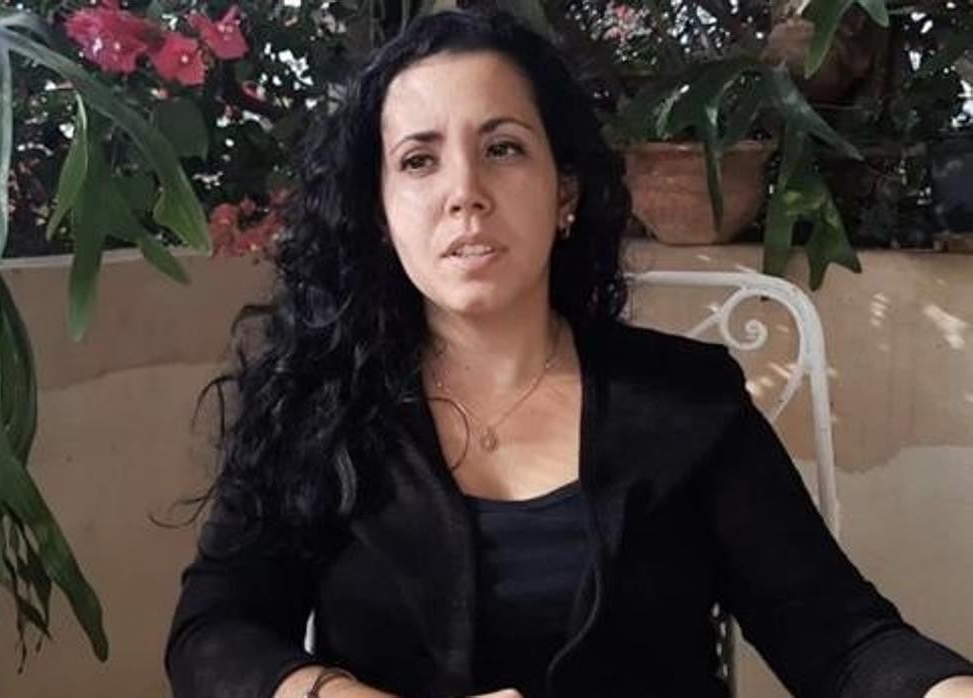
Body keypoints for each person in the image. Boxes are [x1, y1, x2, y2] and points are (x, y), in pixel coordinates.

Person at [165, 8, 973, 697]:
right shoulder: (317, 402)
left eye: (503, 148)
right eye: (418, 160)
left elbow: (842, 640)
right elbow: (215, 630)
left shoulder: (688, 402)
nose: (464, 192)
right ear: (381, 214)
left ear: (565, 193)